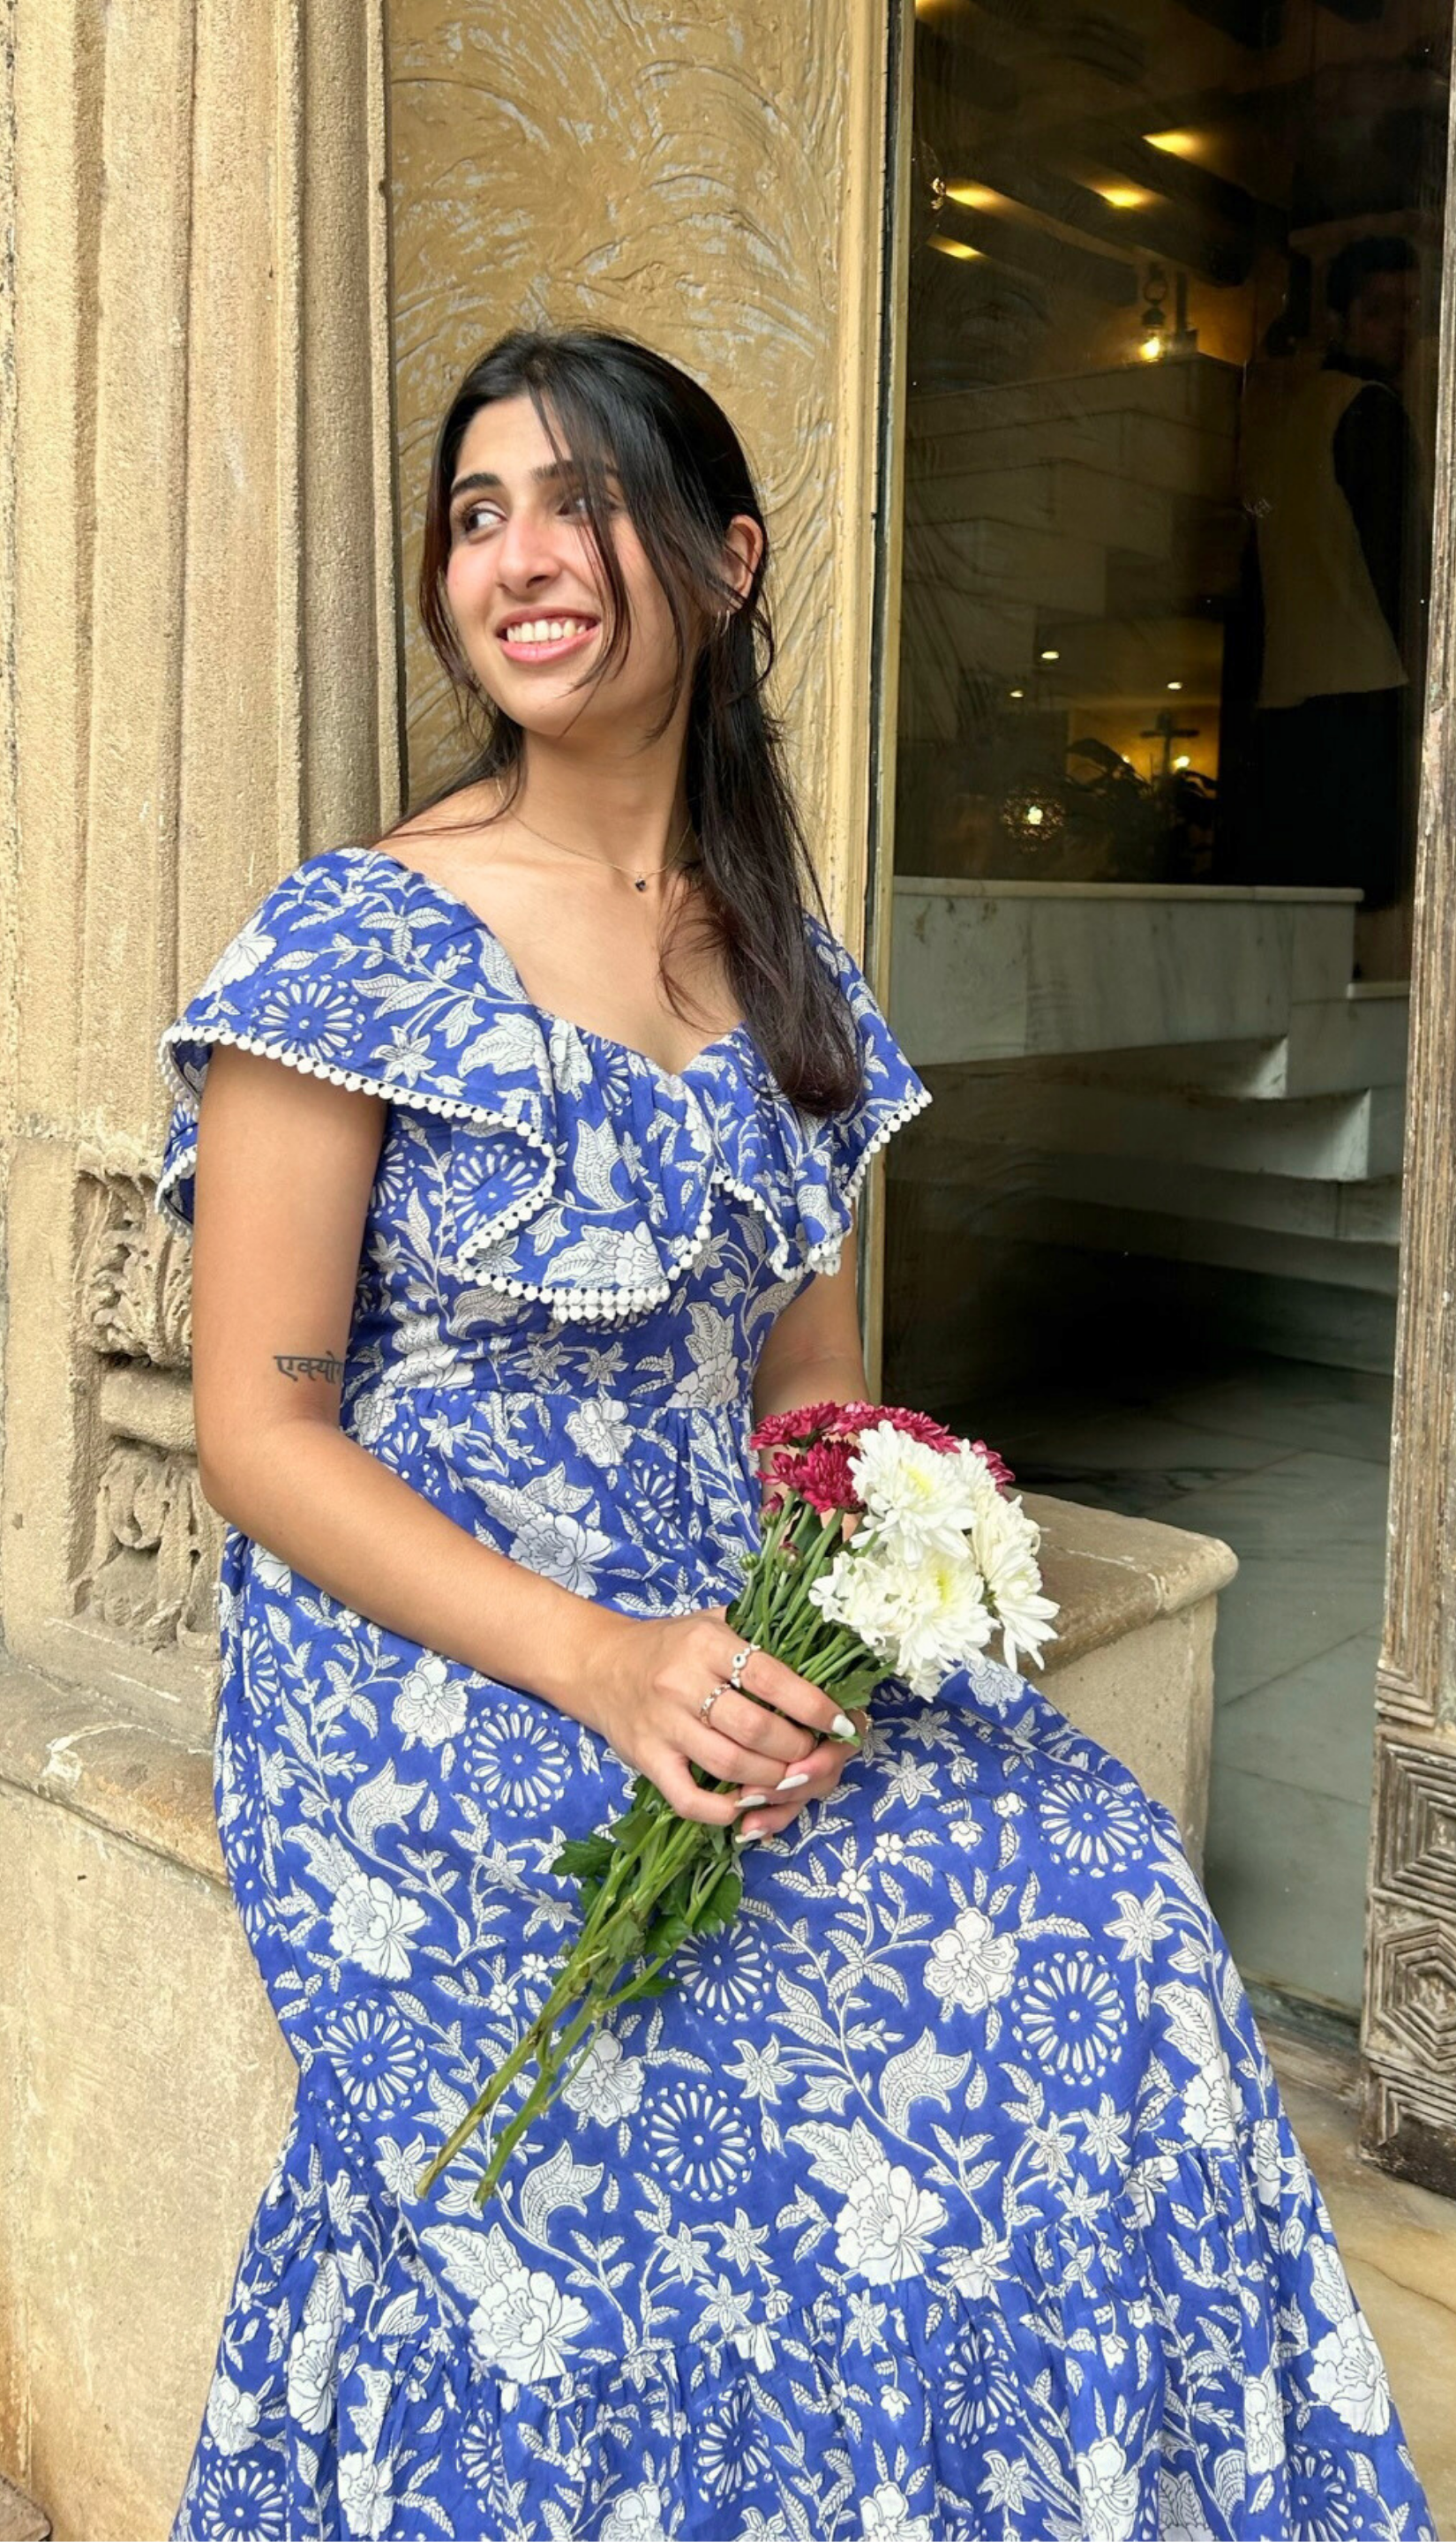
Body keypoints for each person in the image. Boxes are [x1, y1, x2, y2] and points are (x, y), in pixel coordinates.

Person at [154, 329, 1433, 2540]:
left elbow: (810, 1403)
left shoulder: (785, 969)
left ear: (726, 565)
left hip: (721, 1647)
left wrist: (834, 1637)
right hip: (437, 1670)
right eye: (476, 515)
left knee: (1101, 1905)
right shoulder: (352, 936)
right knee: (694, 2095)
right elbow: (258, 1437)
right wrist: (600, 1659)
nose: (523, 557)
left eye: (584, 502)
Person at [1240, 235, 1430, 977]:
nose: (1401, 329)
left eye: (1410, 310)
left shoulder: (1288, 420)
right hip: (1365, 690)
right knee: (1376, 914)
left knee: (1309, 919)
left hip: (1290, 699)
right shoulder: (1371, 411)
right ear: (1342, 317)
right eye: (1383, 310)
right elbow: (1400, 566)